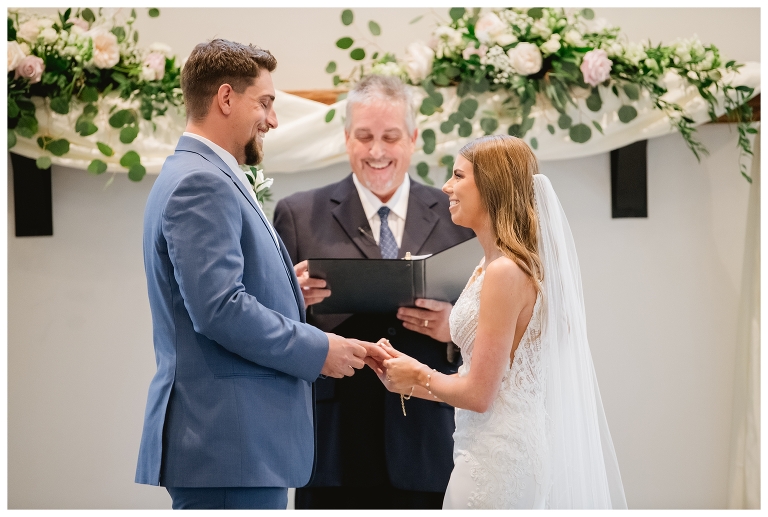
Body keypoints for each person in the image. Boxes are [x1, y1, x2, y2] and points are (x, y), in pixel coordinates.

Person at [134, 39, 387, 510]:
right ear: (226, 98)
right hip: (229, 443)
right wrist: (320, 349)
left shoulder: (201, 172)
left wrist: (286, 290)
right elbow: (219, 309)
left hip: (236, 445)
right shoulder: (201, 182)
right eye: (265, 102)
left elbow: (212, 294)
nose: (272, 120)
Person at [376, 134, 628, 509]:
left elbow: (480, 395)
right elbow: (484, 382)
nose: (446, 187)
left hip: (497, 458)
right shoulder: (490, 265)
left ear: (491, 186)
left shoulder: (504, 271)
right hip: (489, 445)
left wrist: (418, 374)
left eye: (458, 176)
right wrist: (405, 380)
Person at [272, 75, 474, 509]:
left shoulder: (459, 217)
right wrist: (290, 299)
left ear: (413, 139)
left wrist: (453, 329)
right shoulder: (298, 214)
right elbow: (270, 328)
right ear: (346, 138)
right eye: (364, 137)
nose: (377, 151)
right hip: (333, 443)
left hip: (429, 440)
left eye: (390, 137)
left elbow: (495, 324)